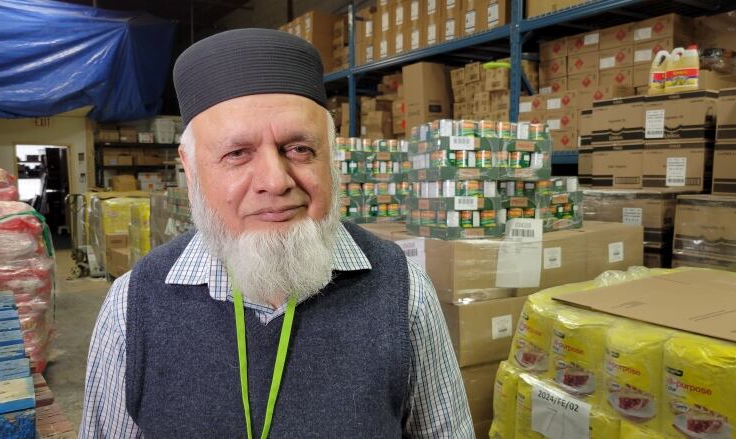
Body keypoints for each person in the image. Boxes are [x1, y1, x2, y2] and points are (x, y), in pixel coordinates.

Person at [81, 28, 472, 438]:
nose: (275, 180)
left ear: (331, 157)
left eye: (299, 149)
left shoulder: (403, 293)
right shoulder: (133, 308)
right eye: (237, 153)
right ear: (191, 167)